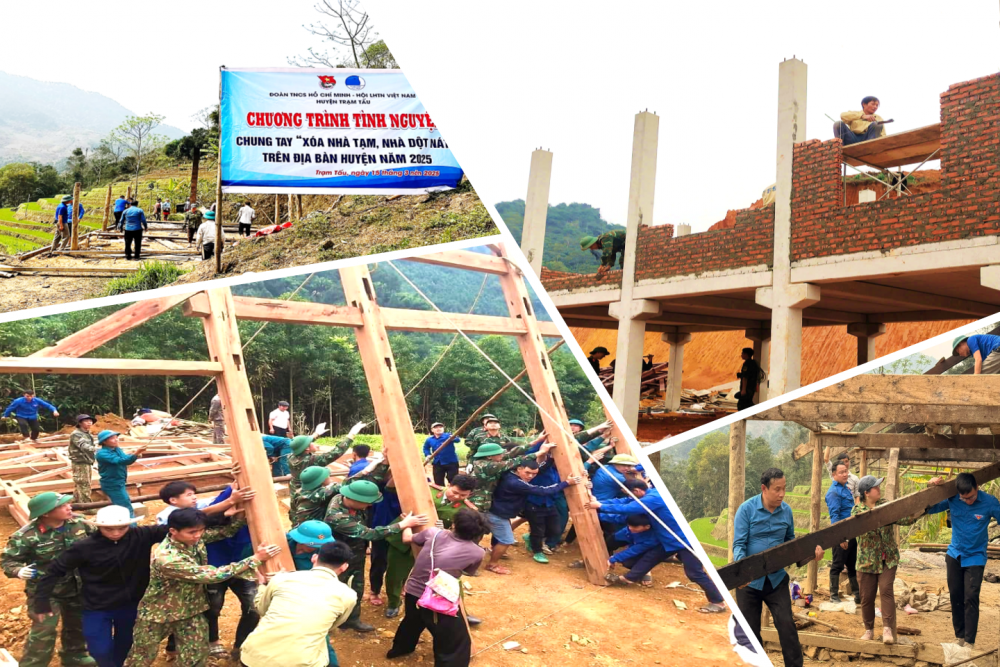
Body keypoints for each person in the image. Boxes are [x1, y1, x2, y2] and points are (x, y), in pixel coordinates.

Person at [125, 509, 279, 666]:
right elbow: (212, 576)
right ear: (173, 531)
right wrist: (255, 559)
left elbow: (223, 532)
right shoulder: (168, 558)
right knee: (142, 656)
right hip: (159, 614)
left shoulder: (192, 539)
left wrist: (240, 517)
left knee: (196, 655)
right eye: (192, 532)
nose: (198, 535)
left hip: (191, 610)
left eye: (201, 530)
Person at [732, 468, 824, 667]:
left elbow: (792, 545)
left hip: (776, 580)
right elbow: (738, 545)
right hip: (749, 584)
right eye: (777, 489)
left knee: (786, 626)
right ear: (764, 488)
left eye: (784, 489)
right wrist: (743, 573)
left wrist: (811, 555)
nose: (782, 494)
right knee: (750, 633)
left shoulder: (787, 511)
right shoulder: (746, 510)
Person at [1, 492, 95, 667]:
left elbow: (100, 537)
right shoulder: (26, 536)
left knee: (77, 623)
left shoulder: (79, 523)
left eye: (68, 504)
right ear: (46, 513)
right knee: (44, 631)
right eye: (62, 506)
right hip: (45, 593)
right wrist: (19, 570)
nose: (69, 507)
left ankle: (75, 655)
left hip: (77, 587)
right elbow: (8, 561)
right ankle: (34, 664)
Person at [324, 478, 428, 632]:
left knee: (357, 589)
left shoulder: (344, 498)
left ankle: (352, 620)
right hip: (338, 558)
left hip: (355, 554)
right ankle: (330, 621)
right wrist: (402, 524)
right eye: (367, 502)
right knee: (336, 590)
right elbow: (370, 534)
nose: (370, 505)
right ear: (354, 498)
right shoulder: (337, 516)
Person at [387, 508, 488, 666]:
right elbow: (468, 571)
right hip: (439, 595)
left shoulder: (433, 533)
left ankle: (400, 648)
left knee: (412, 620)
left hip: (413, 590)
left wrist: (407, 523)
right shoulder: (477, 552)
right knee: (453, 637)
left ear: (454, 524)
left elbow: (407, 539)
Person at [241, 541, 356, 667]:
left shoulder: (281, 579)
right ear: (344, 567)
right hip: (301, 662)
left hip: (253, 658)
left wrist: (262, 584)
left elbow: (262, 609)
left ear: (315, 558)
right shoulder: (348, 595)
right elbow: (332, 625)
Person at [383, 475, 479, 620]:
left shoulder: (466, 509)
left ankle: (460, 610)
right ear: (449, 484)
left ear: (469, 494)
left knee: (444, 579)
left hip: (435, 547)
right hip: (403, 539)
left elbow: (462, 531)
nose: (457, 496)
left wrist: (446, 529)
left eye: (463, 495)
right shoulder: (427, 490)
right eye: (455, 492)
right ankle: (394, 602)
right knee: (395, 574)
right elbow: (391, 489)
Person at [925, 472, 1000, 650]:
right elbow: (929, 507)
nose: (968, 501)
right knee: (955, 596)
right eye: (964, 498)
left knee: (971, 597)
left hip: (975, 557)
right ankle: (959, 636)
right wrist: (931, 488)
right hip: (954, 555)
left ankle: (969, 641)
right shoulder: (953, 499)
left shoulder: (990, 502)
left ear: (977, 488)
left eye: (971, 497)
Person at [853, 475, 923, 645]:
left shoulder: (886, 505)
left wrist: (922, 507)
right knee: (867, 597)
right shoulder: (856, 511)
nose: (879, 489)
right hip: (866, 562)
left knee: (886, 590)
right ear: (867, 493)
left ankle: (887, 629)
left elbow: (905, 518)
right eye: (876, 487)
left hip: (888, 559)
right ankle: (868, 629)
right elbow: (862, 520)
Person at [468, 441, 556, 575]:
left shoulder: (492, 464)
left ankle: (473, 559)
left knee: (478, 534)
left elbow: (512, 454)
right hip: (478, 505)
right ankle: (472, 565)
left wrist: (537, 440)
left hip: (488, 506)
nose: (502, 455)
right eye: (499, 454)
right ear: (490, 456)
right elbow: (515, 460)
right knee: (479, 535)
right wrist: (540, 452)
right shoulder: (487, 466)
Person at [491, 459, 582, 565]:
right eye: (527, 473)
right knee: (507, 539)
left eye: (534, 474)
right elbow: (543, 491)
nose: (530, 476)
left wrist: (551, 458)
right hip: (504, 511)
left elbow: (540, 468)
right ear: (519, 469)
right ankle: (493, 562)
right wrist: (566, 483)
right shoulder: (516, 482)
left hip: (510, 510)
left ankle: (494, 548)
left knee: (555, 530)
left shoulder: (512, 473)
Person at [287, 422, 362, 514]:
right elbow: (336, 452)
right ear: (307, 449)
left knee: (297, 512)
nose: (316, 445)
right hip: (310, 492)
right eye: (312, 443)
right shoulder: (311, 460)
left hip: (296, 491)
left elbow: (300, 445)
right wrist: (351, 435)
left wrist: (316, 434)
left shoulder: (291, 457)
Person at [825, 458, 859, 604]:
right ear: (834, 475)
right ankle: (833, 595)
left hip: (851, 533)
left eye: (846, 471)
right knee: (837, 565)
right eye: (841, 472)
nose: (845, 474)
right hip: (842, 535)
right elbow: (835, 517)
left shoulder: (846, 488)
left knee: (852, 564)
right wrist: (840, 538)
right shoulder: (833, 492)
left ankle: (857, 594)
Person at [95, 431, 146, 517]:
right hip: (112, 484)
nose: (116, 440)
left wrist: (134, 455)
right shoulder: (102, 453)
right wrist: (136, 453)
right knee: (126, 508)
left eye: (116, 437)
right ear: (104, 442)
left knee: (122, 505)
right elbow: (121, 461)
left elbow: (126, 459)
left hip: (119, 481)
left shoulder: (117, 449)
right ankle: (131, 528)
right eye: (112, 438)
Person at [606, 514, 659, 585]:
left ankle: (645, 570)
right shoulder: (629, 529)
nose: (630, 528)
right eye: (629, 525)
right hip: (627, 535)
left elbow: (634, 550)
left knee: (628, 562)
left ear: (647, 527)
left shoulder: (652, 539)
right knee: (609, 542)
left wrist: (615, 558)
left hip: (641, 548)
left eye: (634, 527)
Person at [68, 414, 97, 503]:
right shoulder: (76, 434)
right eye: (86, 421)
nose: (89, 423)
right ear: (80, 423)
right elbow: (83, 445)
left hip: (86, 460)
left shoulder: (87, 433)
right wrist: (96, 450)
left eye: (90, 421)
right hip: (80, 462)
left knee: (80, 483)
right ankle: (87, 506)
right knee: (84, 483)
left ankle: (76, 500)